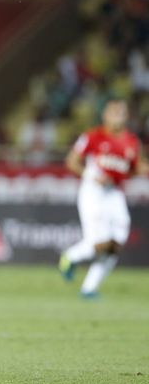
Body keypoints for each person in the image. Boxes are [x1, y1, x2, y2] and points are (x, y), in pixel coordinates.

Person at [58, 98, 149, 298]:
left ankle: (89, 289)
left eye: (121, 112)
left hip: (115, 193)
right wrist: (92, 175)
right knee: (100, 243)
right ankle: (70, 257)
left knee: (116, 243)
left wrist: (140, 170)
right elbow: (72, 161)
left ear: (126, 116)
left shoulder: (132, 142)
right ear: (105, 115)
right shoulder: (93, 136)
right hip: (93, 191)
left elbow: (135, 168)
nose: (117, 116)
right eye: (113, 112)